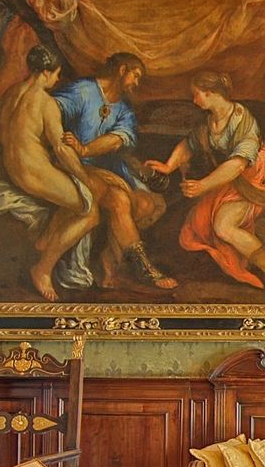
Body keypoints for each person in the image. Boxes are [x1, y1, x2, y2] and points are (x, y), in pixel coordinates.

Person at [145, 70, 265, 301]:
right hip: (234, 177)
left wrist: (203, 185)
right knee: (200, 220)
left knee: (223, 226)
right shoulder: (211, 121)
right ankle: (253, 246)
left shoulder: (242, 119)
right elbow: (189, 144)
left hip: (258, 176)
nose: (194, 100)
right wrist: (168, 166)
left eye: (197, 94)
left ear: (211, 93)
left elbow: (238, 164)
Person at [0, 44, 101, 303]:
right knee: (91, 211)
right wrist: (84, 177)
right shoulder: (46, 103)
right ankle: (43, 268)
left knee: (73, 200)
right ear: (45, 72)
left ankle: (46, 240)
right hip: (34, 172)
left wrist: (18, 136)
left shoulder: (12, 93)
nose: (57, 80)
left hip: (12, 168)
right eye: (56, 74)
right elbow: (62, 150)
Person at [53, 52, 175, 291]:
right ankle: (144, 267)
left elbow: (119, 139)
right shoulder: (83, 90)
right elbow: (49, 114)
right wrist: (71, 148)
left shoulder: (124, 108)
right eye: (135, 75)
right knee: (120, 201)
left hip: (109, 167)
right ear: (122, 70)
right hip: (75, 165)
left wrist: (86, 147)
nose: (136, 83)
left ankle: (109, 256)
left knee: (145, 205)